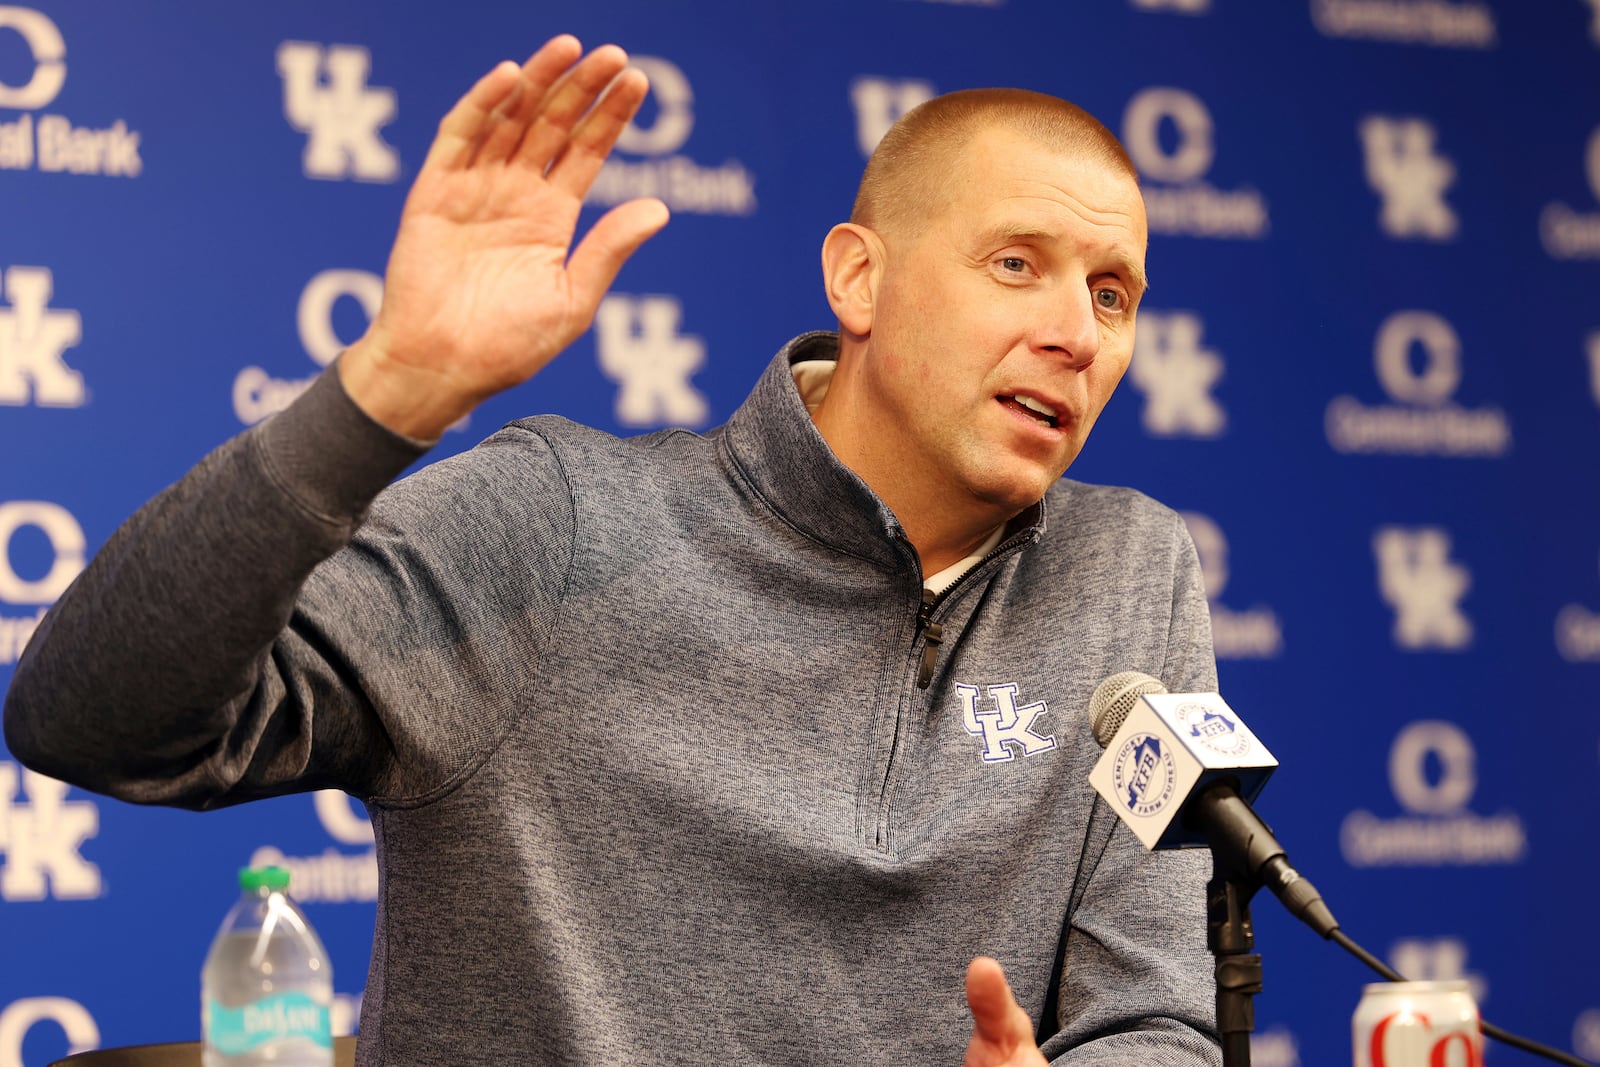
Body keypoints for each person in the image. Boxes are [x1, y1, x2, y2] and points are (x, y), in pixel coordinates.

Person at [5, 35, 1221, 1066]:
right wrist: (385, 391)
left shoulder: (1126, 571)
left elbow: (1158, 1013)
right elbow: (91, 719)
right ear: (860, 279)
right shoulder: (558, 518)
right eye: (1018, 265)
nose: (1074, 332)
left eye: (1114, 296)